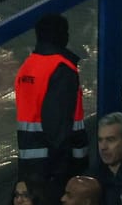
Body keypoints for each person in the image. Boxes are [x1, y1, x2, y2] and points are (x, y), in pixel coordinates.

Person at [15, 14, 89, 191]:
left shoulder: (27, 67)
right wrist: (69, 167)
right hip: (55, 165)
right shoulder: (61, 68)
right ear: (62, 35)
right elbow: (58, 125)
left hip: (29, 159)